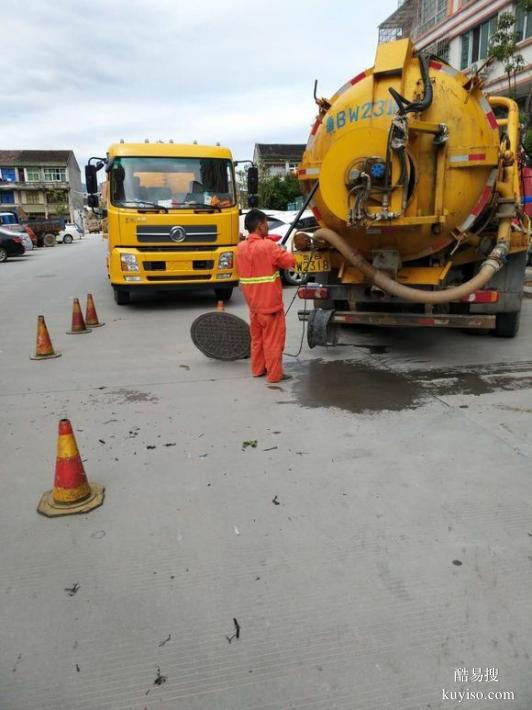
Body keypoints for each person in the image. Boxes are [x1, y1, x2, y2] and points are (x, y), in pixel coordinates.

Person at [236, 209, 296, 383]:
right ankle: (275, 375)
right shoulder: (269, 246)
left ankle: (258, 370)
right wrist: (283, 251)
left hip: (254, 307)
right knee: (273, 342)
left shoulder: (240, 248)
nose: (267, 227)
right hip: (270, 307)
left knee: (258, 341)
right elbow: (289, 262)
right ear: (260, 225)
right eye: (266, 224)